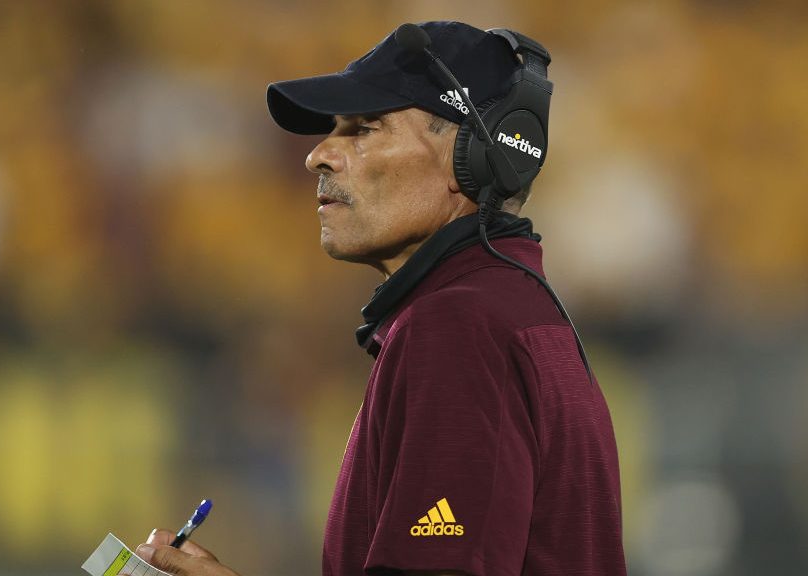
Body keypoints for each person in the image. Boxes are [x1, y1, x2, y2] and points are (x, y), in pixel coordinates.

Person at [136, 20, 626, 576]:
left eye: (364, 129)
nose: (317, 156)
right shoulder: (516, 310)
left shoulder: (459, 326)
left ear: (472, 155)